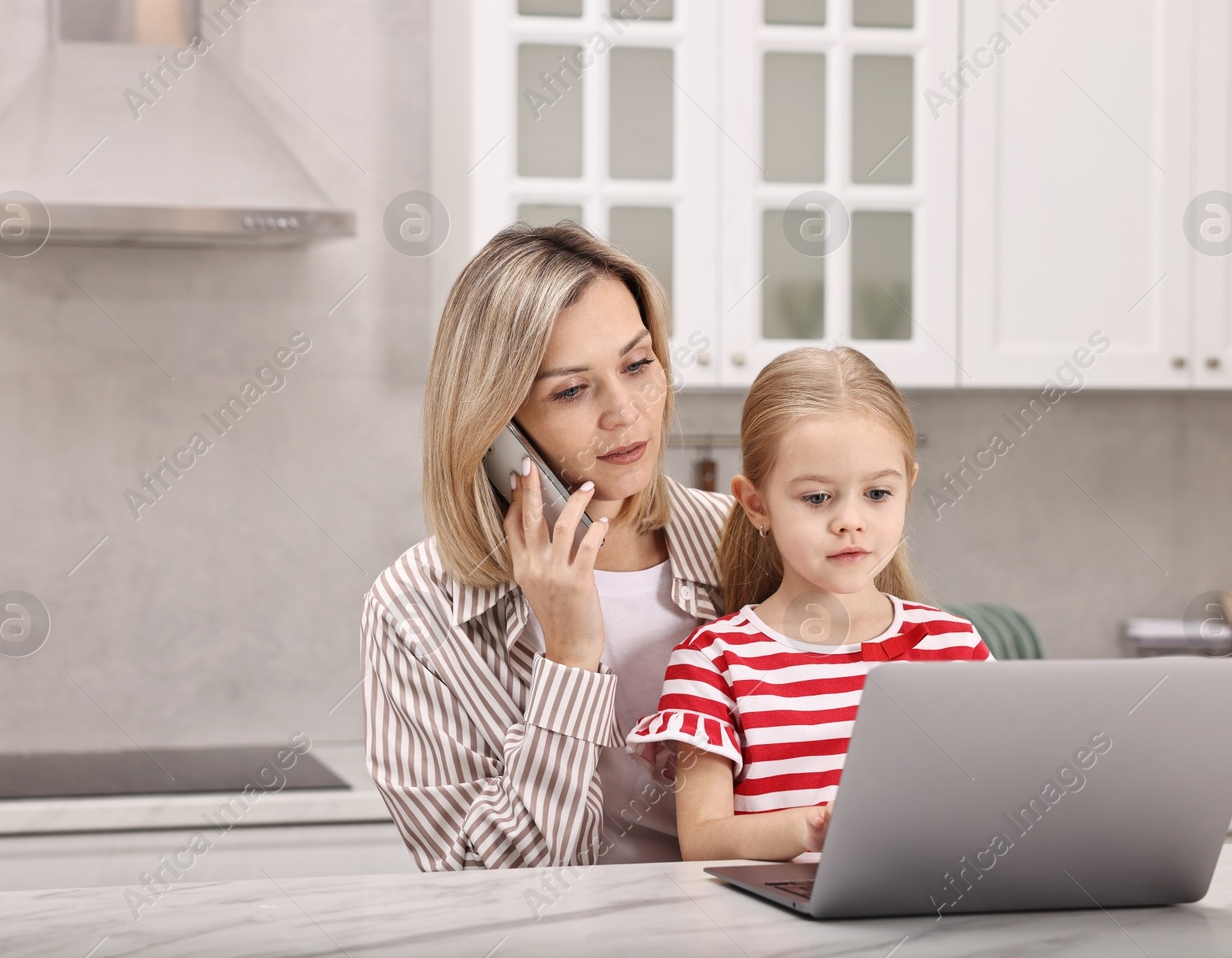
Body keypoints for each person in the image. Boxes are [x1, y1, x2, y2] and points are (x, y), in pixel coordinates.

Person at [361, 223, 733, 870]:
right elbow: (481, 886)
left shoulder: (741, 544)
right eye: (570, 389)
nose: (626, 410)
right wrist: (568, 657)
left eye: (638, 364)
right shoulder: (414, 612)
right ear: (496, 427)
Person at [626, 346, 993, 862]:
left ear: (907, 487)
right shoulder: (713, 662)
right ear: (757, 504)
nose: (851, 520)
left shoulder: (954, 647)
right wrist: (809, 828)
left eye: (877, 494)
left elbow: (993, 800)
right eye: (818, 498)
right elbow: (704, 839)